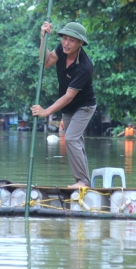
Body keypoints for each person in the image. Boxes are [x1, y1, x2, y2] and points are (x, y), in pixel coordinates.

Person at [31, 21, 97, 188]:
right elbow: (45, 62)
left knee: (71, 139)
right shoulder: (61, 50)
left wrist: (46, 112)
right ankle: (82, 182)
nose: (66, 43)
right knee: (75, 142)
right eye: (64, 38)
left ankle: (83, 182)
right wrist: (42, 38)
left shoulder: (85, 67)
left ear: (80, 43)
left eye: (72, 40)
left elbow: (68, 96)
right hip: (68, 108)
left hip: (84, 106)